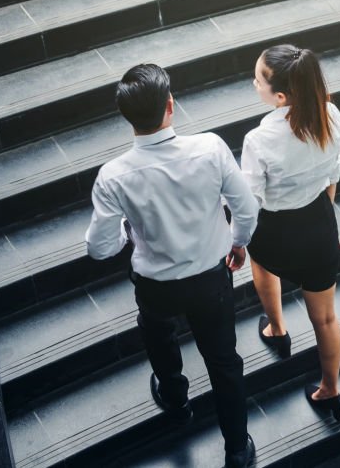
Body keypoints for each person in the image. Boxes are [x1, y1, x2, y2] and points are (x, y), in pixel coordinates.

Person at [84, 63, 258, 468]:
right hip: (211, 278)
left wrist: (128, 233)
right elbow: (246, 209)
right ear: (170, 106)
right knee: (224, 361)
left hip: (156, 283)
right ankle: (236, 449)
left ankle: (176, 398)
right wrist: (238, 243)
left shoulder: (113, 177)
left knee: (158, 336)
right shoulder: (211, 149)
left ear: (127, 118)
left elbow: (99, 248)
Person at [240, 44, 340, 421]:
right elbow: (332, 173)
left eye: (258, 80)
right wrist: (327, 222)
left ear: (281, 96)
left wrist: (238, 243)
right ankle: (330, 392)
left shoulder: (259, 141)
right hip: (318, 224)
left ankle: (277, 329)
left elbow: (250, 203)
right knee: (327, 318)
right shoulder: (331, 115)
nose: (254, 84)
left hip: (275, 230)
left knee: (264, 267)